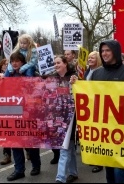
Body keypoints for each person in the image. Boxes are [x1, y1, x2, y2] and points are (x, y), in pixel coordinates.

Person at [88, 40, 124, 183]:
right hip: (104, 129)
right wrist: (75, 83)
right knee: (109, 166)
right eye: (102, 51)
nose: (104, 53)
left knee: (119, 168)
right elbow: (89, 96)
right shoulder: (97, 73)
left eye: (108, 50)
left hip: (122, 129)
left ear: (115, 51)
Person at [3, 51, 41, 181]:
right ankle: (19, 169)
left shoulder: (30, 74)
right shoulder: (9, 74)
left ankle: (36, 165)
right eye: (12, 61)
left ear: (23, 62)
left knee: (31, 141)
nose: (14, 63)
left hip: (29, 112)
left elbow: (34, 89)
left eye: (17, 61)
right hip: (14, 112)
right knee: (15, 142)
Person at [46, 55, 78, 183]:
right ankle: (73, 173)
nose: (56, 65)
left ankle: (60, 178)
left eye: (58, 62)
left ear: (65, 63)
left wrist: (76, 82)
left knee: (65, 148)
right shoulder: (53, 78)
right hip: (58, 117)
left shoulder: (74, 76)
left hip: (72, 117)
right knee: (68, 146)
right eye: (55, 63)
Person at [83, 51, 104, 173]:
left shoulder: (100, 71)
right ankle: (93, 156)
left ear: (98, 59)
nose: (90, 59)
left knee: (98, 135)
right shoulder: (86, 71)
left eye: (92, 58)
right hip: (88, 105)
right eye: (89, 57)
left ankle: (100, 162)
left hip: (98, 105)